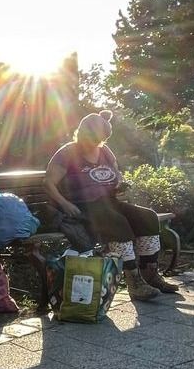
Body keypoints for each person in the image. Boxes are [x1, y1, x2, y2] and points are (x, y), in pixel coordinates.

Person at [44, 110, 178, 300]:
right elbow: (48, 183)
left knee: (148, 217)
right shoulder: (67, 152)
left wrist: (119, 184)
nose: (95, 144)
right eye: (92, 139)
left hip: (109, 201)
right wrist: (65, 204)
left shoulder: (104, 150)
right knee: (117, 222)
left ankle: (150, 275)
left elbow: (116, 173)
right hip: (83, 205)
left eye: (99, 140)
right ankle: (134, 283)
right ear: (82, 133)